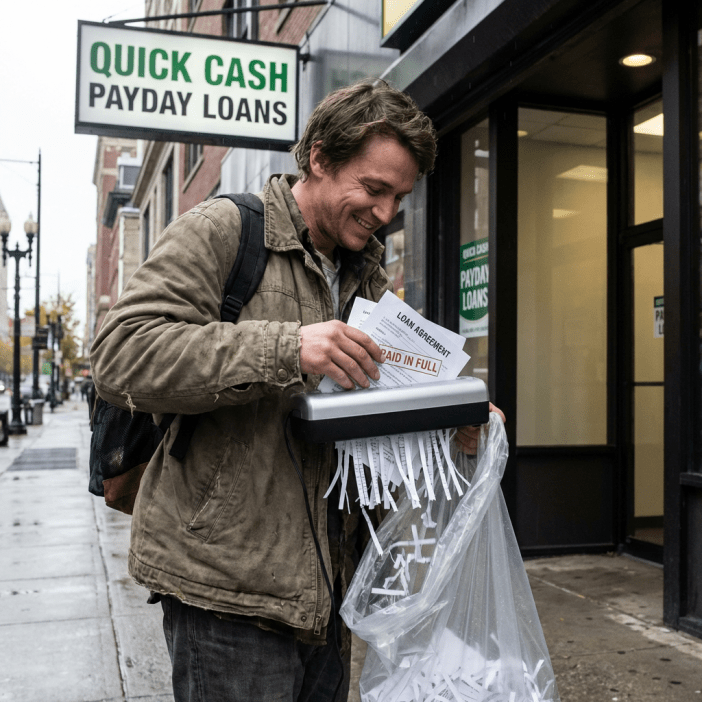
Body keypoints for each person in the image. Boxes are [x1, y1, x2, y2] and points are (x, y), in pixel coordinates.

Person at [91, 79, 504, 702]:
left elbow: (367, 425)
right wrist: (288, 346)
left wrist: (449, 420)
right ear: (319, 158)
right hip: (227, 594)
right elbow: (121, 353)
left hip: (328, 596)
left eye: (400, 197)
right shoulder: (225, 230)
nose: (387, 213)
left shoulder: (365, 277)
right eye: (373, 189)